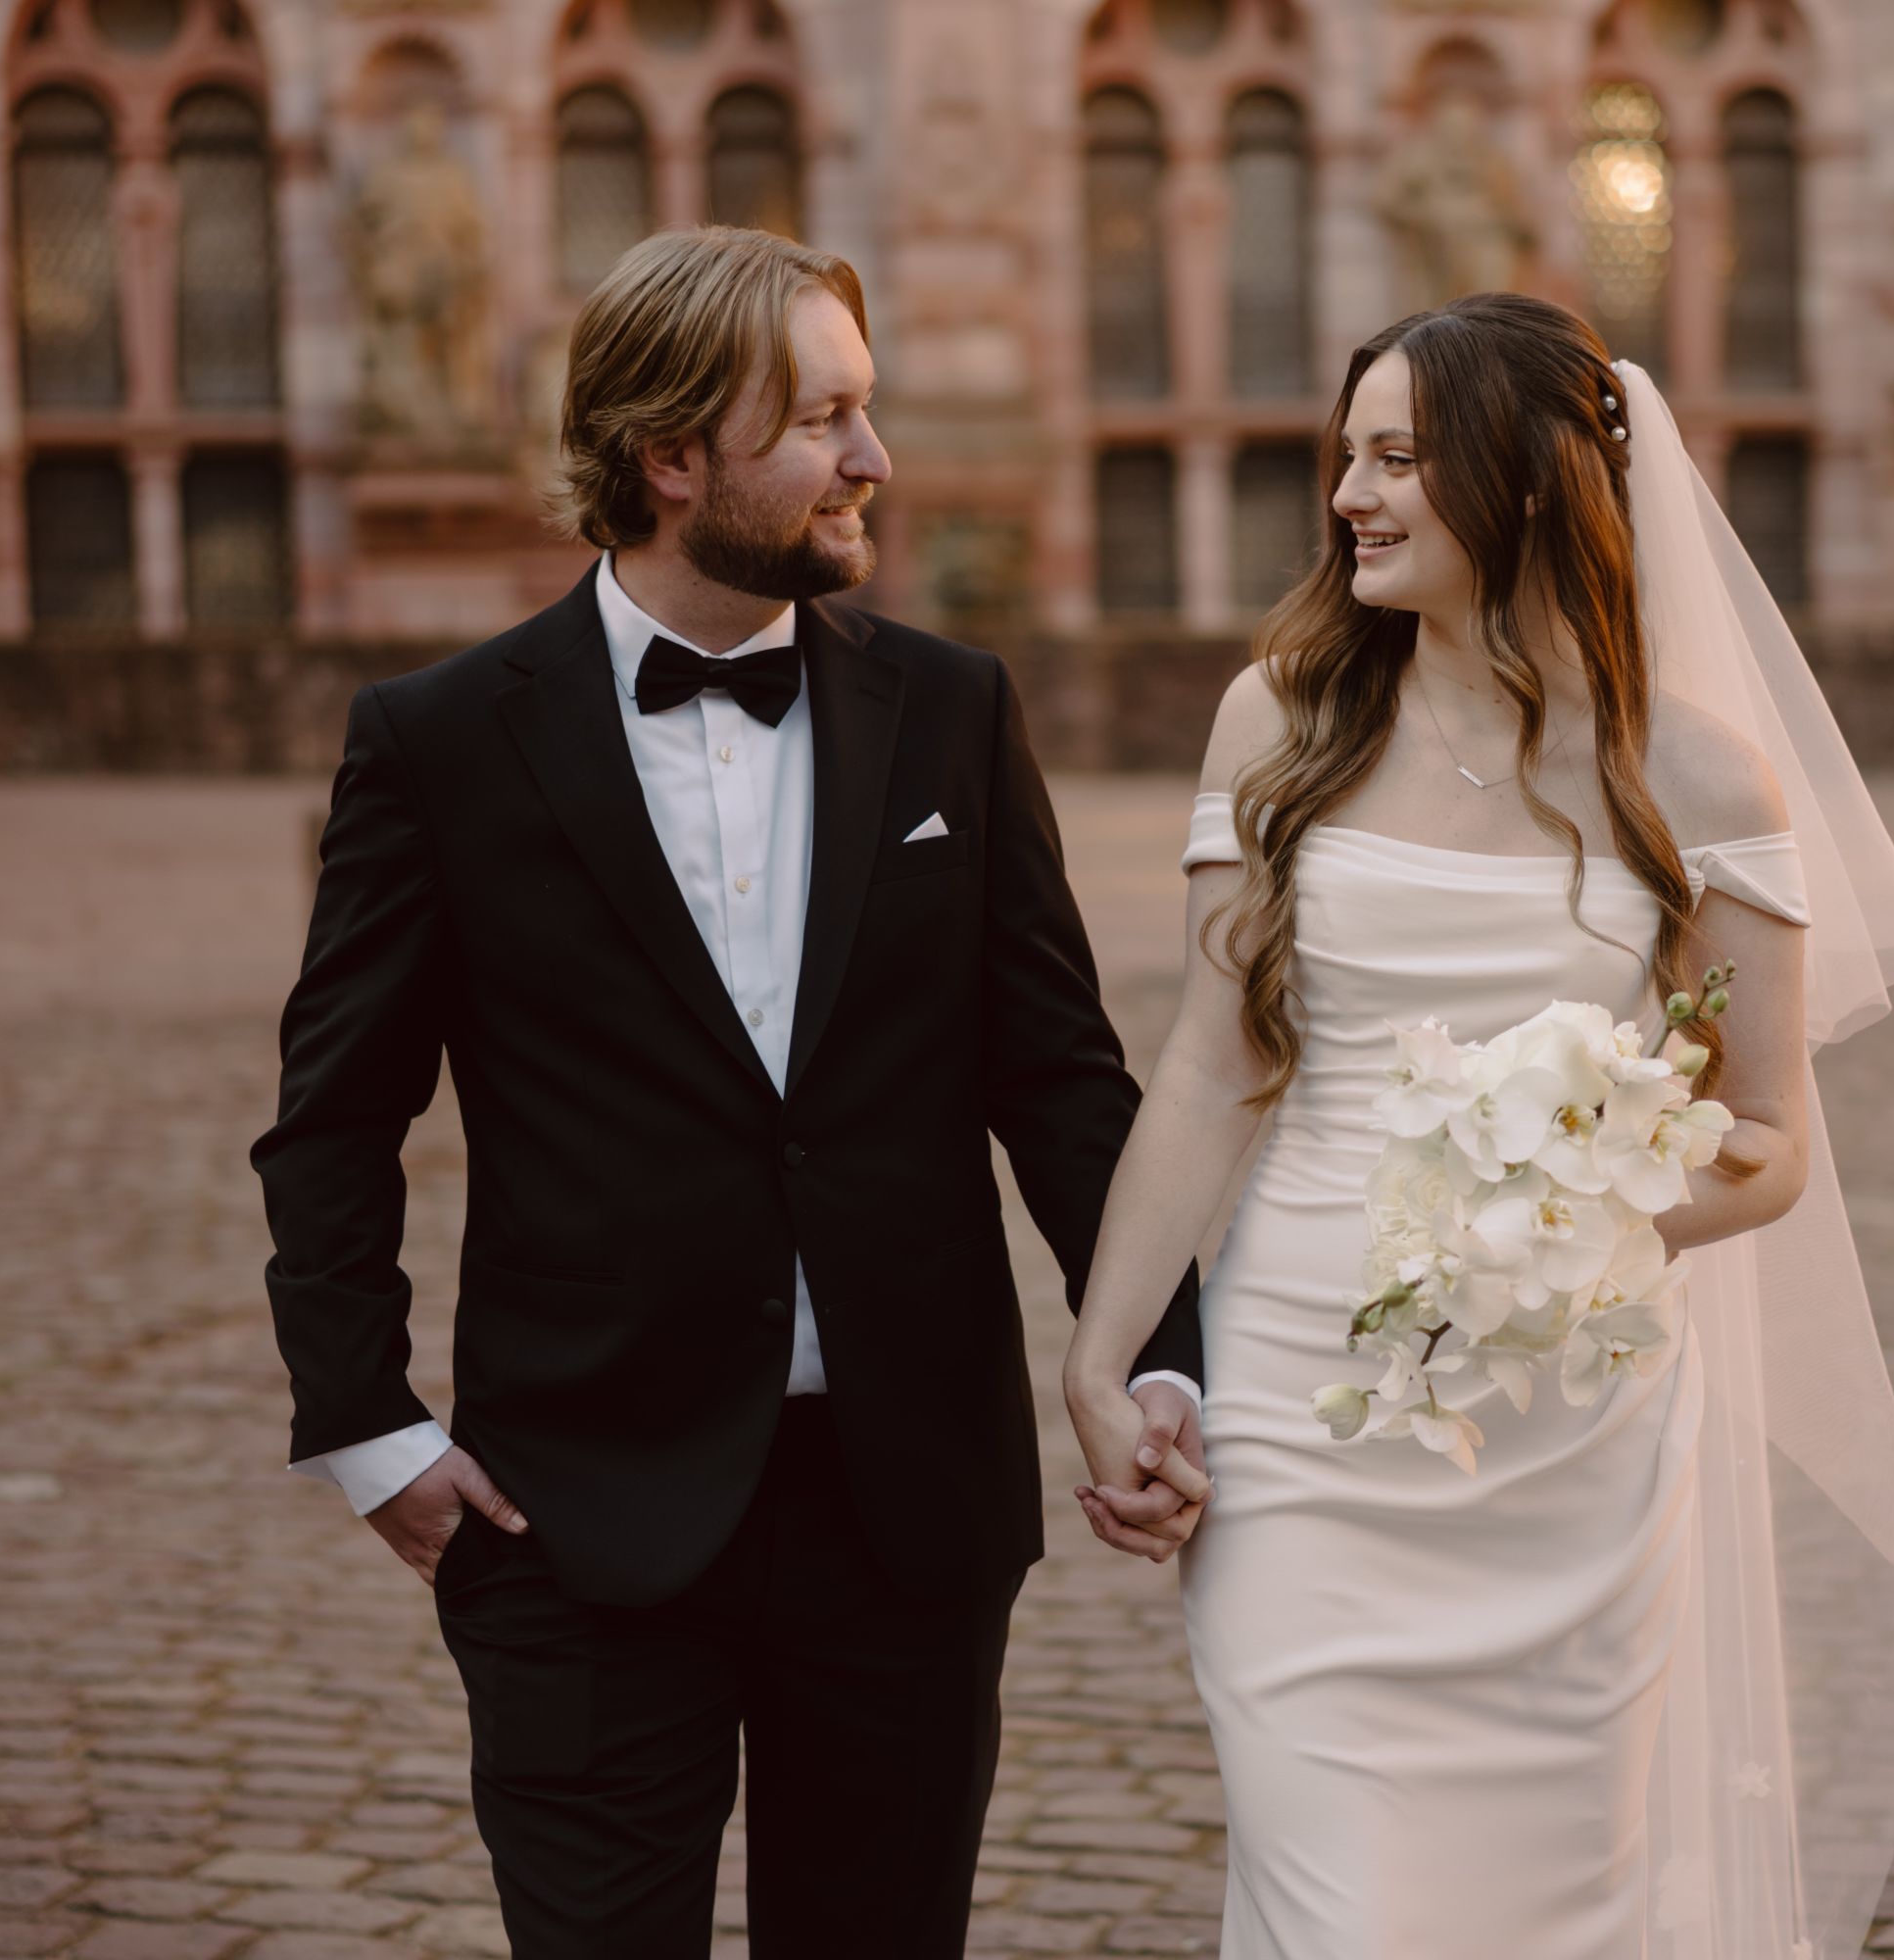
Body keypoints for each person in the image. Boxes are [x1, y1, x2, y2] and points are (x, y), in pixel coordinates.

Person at [253, 225, 1210, 1959]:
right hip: (577, 1515)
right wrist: (369, 1427)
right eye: (826, 418)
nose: (875, 461)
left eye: (871, 408)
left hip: (907, 1513)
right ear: (670, 453)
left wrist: (1161, 1355)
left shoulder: (953, 711)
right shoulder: (445, 740)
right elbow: (333, 1114)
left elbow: (1060, 1077)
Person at [1060, 292, 1894, 1957]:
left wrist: (1574, 1202)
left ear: (1526, 485)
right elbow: (1208, 1063)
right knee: (1337, 1903)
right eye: (1347, 458)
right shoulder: (1280, 721)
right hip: (1302, 1409)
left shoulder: (1699, 778)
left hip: (1566, 1438)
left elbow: (1766, 1137)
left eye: (1397, 458)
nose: (1349, 497)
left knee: (1552, 1912)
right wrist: (1100, 1357)